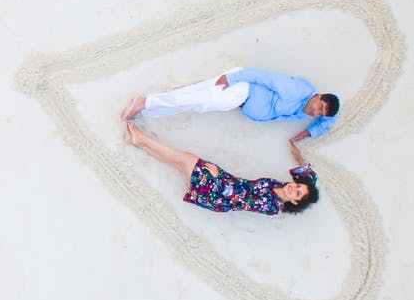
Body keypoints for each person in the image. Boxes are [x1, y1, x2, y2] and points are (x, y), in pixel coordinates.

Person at [123, 123, 319, 215]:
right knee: (180, 163)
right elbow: (305, 174)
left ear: (295, 201)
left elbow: (237, 198)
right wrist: (307, 179)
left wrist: (216, 177)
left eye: (297, 193)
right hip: (227, 180)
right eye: (297, 185)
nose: (294, 188)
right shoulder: (283, 185)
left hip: (219, 194)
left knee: (185, 160)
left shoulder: (271, 206)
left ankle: (141, 139)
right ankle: (140, 143)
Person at [122, 67, 341, 144]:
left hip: (239, 100)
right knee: (198, 101)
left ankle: (148, 106)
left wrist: (306, 134)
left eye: (320, 112)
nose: (316, 111)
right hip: (242, 88)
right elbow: (264, 76)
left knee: (196, 102)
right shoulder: (296, 90)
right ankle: (145, 102)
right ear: (317, 96)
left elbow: (329, 120)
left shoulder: (305, 113)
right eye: (319, 105)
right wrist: (232, 78)